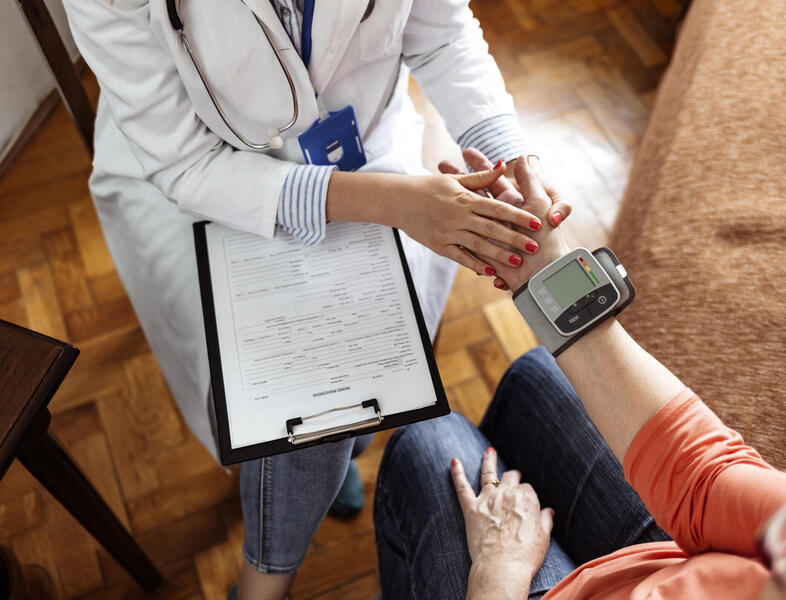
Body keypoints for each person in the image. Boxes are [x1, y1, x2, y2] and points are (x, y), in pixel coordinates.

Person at [61, 2, 572, 598]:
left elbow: (440, 35)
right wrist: (395, 204)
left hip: (366, 141)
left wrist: (513, 158)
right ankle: (270, 572)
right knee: (301, 396)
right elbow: (185, 164)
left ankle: (323, 479)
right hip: (202, 182)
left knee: (347, 393)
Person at [374, 152, 786, 599]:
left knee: (427, 441)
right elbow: (705, 485)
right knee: (534, 375)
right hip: (671, 568)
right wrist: (545, 273)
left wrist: (499, 571)